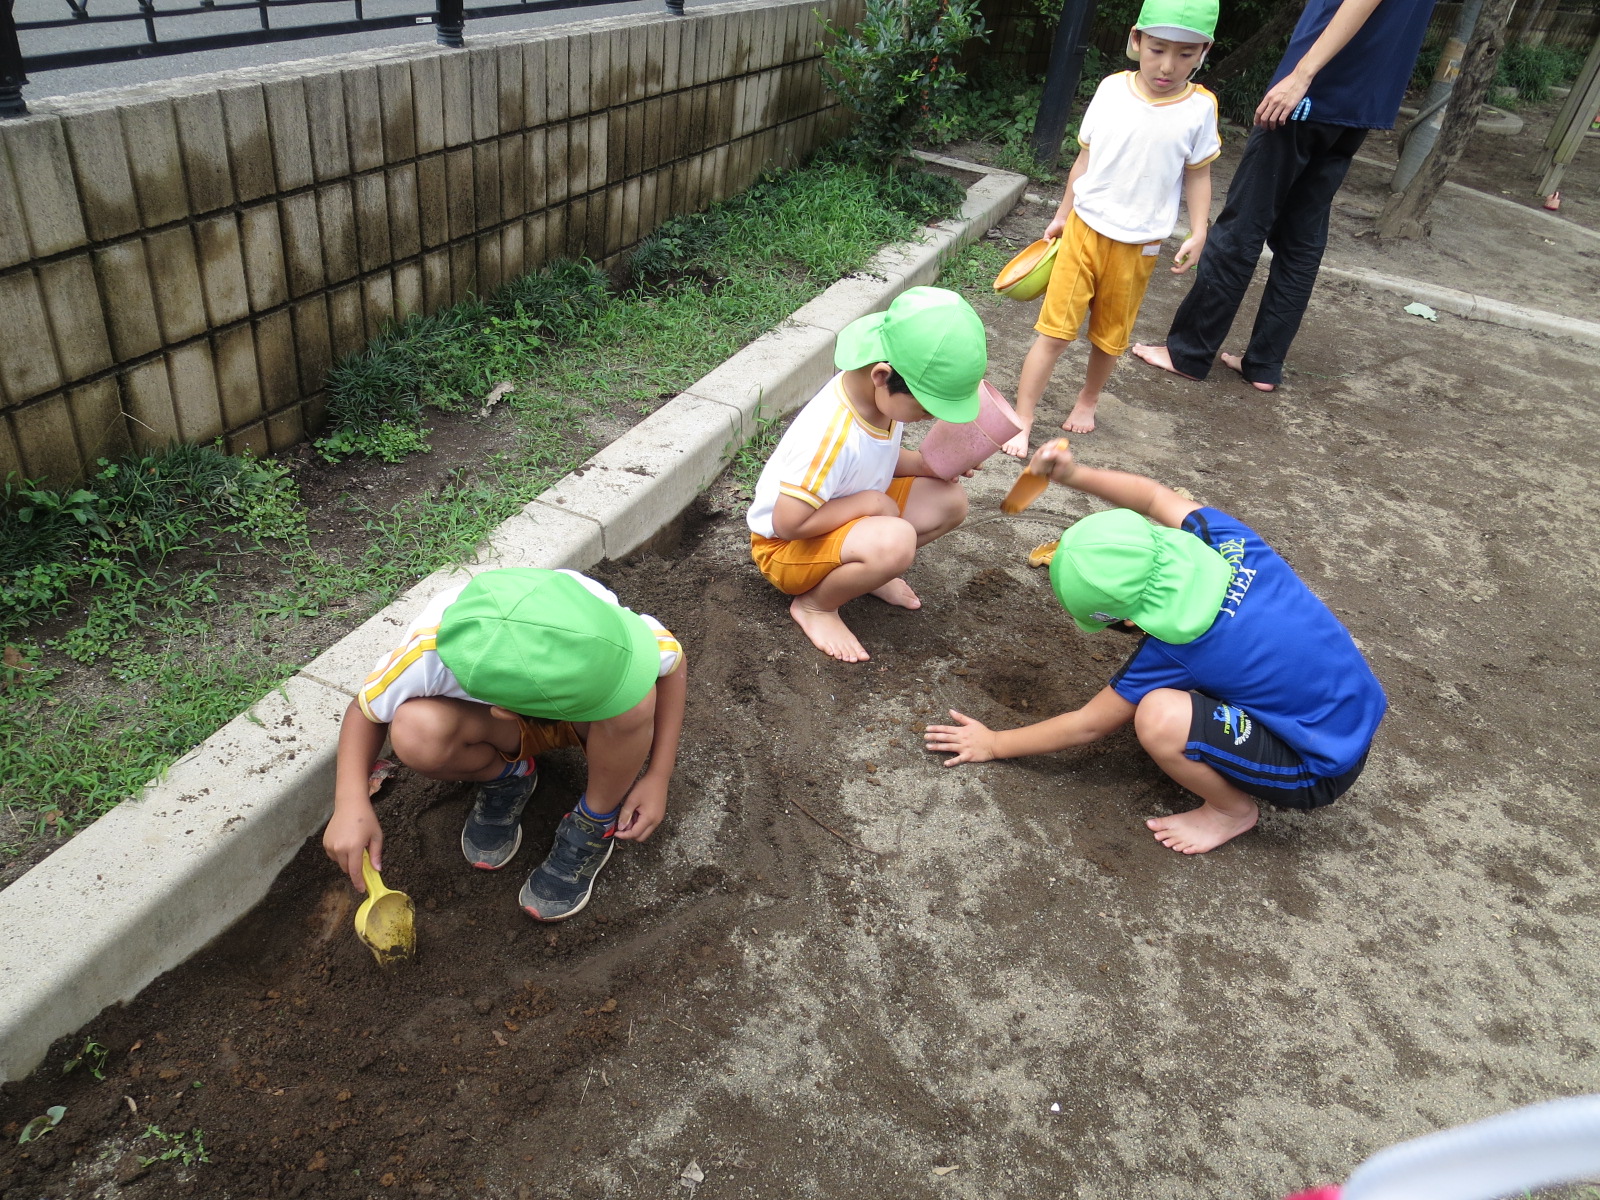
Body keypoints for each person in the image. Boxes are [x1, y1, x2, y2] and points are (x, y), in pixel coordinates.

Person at [924, 440, 1386, 854]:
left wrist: (995, 743)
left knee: (1159, 716)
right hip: (1356, 707)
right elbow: (1153, 496)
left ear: (1128, 620)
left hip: (1318, 766)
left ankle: (1230, 811)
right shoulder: (1233, 542)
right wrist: (1072, 474)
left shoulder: (1177, 648)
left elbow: (1086, 725)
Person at [322, 567, 687, 921]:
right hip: (503, 725)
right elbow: (365, 710)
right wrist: (350, 801)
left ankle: (596, 818)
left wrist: (659, 775)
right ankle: (507, 775)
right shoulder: (429, 653)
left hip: (596, 728)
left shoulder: (597, 627)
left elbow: (672, 662)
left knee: (636, 703)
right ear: (506, 711)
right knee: (415, 730)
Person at [1132, 0, 1438, 391]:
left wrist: (1302, 74)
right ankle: (1263, 364)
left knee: (1242, 227)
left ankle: (1188, 353)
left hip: (1314, 89)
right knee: (1301, 239)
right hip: (1364, 98)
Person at [1003, 0, 1220, 449]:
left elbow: (1198, 171)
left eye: (1185, 54)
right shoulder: (1110, 90)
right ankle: (1022, 417)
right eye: (1158, 48)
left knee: (1110, 336)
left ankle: (1088, 399)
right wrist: (1062, 215)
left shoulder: (1201, 108)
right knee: (1054, 331)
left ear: (1204, 51)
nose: (1167, 65)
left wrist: (1199, 230)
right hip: (1084, 229)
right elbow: (1085, 158)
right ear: (1136, 39)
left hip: (1140, 244)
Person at [746, 286, 987, 664]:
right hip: (784, 548)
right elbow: (788, 522)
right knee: (894, 541)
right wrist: (870, 503)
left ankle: (869, 572)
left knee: (950, 502)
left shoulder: (877, 398)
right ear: (881, 375)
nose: (931, 417)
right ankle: (815, 607)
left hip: (833, 515)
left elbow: (878, 459)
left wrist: (927, 466)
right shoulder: (830, 435)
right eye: (926, 408)